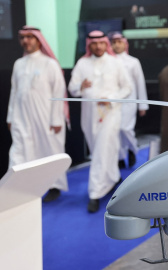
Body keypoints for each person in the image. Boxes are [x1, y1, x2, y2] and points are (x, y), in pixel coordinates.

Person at [68, 30, 132, 213]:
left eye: (101, 43)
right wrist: (81, 87)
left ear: (106, 44)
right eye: (94, 43)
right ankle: (112, 177)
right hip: (89, 115)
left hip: (111, 113)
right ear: (89, 45)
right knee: (102, 149)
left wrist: (111, 98)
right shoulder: (82, 63)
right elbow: (72, 89)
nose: (98, 46)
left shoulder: (116, 63)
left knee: (101, 150)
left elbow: (127, 87)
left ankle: (95, 193)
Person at [7, 26, 69, 202]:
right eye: (23, 38)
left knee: (49, 150)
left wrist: (56, 119)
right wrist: (10, 117)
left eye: (30, 37)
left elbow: (59, 92)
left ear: (38, 40)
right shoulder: (19, 64)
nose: (26, 41)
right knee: (19, 150)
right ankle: (16, 188)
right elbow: (14, 91)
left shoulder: (50, 64)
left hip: (46, 117)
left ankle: (54, 186)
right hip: (21, 116)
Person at [110, 32, 149, 168]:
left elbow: (140, 83)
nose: (116, 45)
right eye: (114, 42)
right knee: (115, 131)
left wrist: (142, 105)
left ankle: (132, 149)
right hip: (113, 103)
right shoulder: (109, 61)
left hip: (129, 102)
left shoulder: (133, 61)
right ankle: (120, 157)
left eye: (119, 42)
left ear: (125, 44)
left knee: (125, 129)